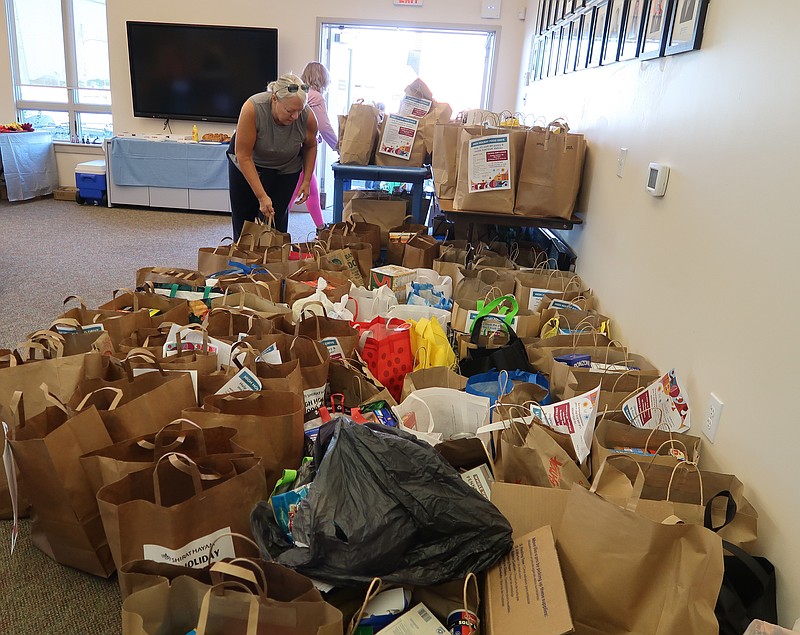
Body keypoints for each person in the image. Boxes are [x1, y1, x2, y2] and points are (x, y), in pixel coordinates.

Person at [228, 73, 318, 239]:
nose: (296, 116)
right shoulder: (253, 108)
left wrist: (306, 180)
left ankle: (274, 261)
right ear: (275, 98)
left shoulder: (308, 116)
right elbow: (244, 156)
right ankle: (243, 261)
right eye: (290, 111)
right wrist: (262, 196)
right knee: (245, 219)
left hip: (286, 168)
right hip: (248, 164)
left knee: (276, 219)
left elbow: (311, 145)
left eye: (300, 110)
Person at [291, 61, 338, 229]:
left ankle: (320, 226)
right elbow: (324, 126)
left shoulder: (301, 93)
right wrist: (339, 147)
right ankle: (275, 226)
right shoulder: (316, 97)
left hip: (294, 146)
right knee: (300, 184)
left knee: (310, 184)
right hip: (305, 148)